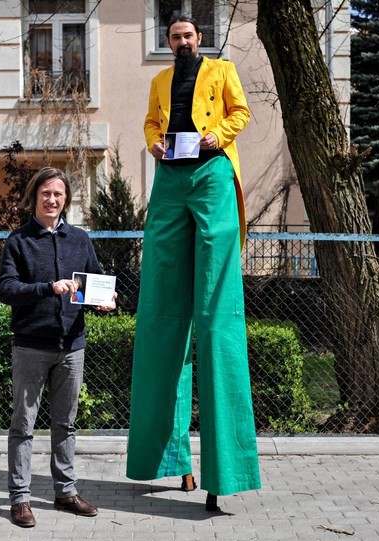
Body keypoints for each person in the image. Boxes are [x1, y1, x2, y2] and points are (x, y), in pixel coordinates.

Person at [126, 16, 261, 512]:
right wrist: (153, 143)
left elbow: (241, 112)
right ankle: (170, 459)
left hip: (211, 173)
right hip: (169, 179)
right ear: (168, 43)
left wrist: (217, 137)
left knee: (215, 314)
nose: (181, 42)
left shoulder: (222, 71)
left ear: (199, 39)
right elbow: (150, 122)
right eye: (174, 37)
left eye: (188, 36)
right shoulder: (160, 80)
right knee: (161, 315)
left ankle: (223, 473)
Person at [0, 167, 114, 528]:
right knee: (23, 425)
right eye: (45, 193)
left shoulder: (79, 239)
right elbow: (6, 290)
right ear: (34, 197)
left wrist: (105, 299)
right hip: (31, 346)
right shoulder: (19, 240)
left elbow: (96, 281)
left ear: (66, 199)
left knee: (66, 424)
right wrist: (48, 288)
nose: (52, 200)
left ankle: (65, 492)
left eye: (58, 194)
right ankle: (20, 499)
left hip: (72, 346)